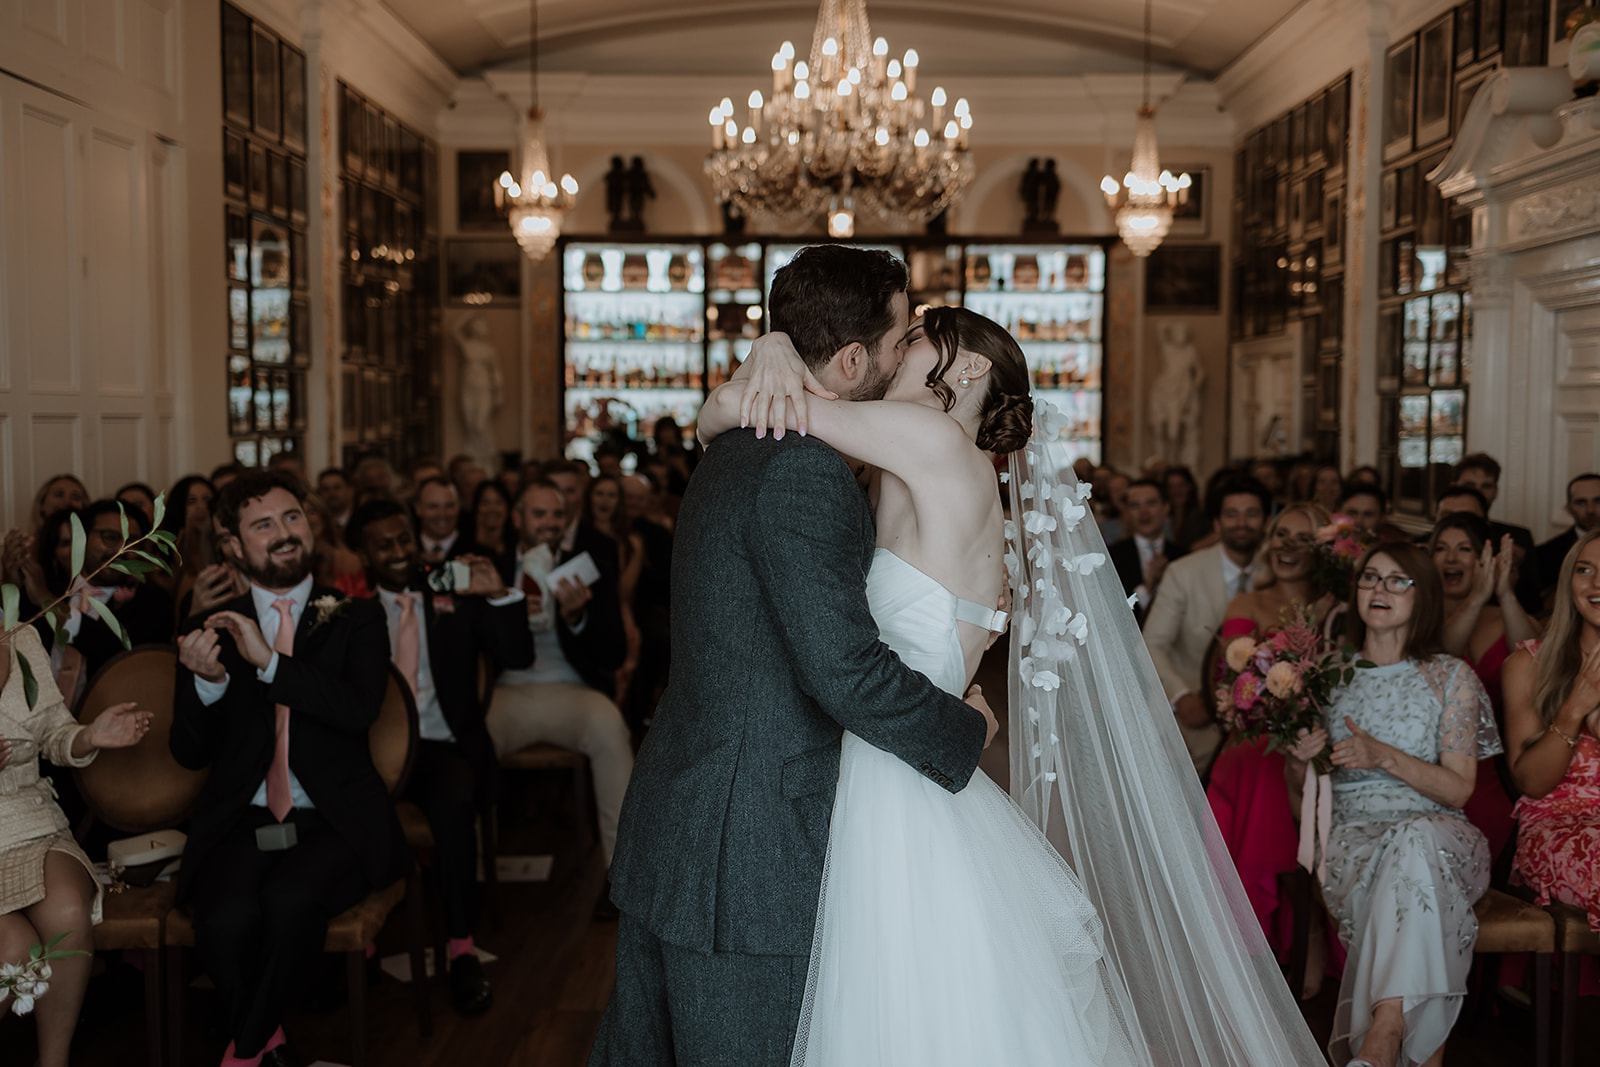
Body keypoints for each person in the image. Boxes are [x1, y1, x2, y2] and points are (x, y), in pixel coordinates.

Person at [661, 263, 1328, 1062]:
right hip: (907, 752)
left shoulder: (937, 441)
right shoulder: (932, 461)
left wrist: (774, 349)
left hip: (894, 769)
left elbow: (730, 414)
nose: (899, 347)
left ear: (969, 366)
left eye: (916, 338)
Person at [171, 470, 408, 1067]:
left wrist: (271, 664)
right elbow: (189, 753)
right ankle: (271, 1045)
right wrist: (209, 684)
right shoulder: (209, 627)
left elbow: (359, 710)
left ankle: (244, 1053)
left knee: (289, 902)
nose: (284, 532)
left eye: (292, 516)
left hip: (335, 820)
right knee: (223, 920)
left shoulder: (357, 616)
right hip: (243, 820)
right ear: (232, 545)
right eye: (263, 524)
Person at [1287, 542, 1501, 1067]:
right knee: (1410, 868)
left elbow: (1459, 790)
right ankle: (1393, 1035)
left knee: (1415, 841)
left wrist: (1383, 755)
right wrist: (1299, 760)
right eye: (1370, 577)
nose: (1379, 589)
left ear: (1421, 594)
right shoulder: (1325, 677)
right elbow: (1302, 802)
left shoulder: (1451, 676)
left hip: (1442, 834)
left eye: (1396, 579)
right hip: (1353, 841)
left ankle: (1383, 1036)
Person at [347, 498, 534, 1015]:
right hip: (371, 749)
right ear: (362, 554)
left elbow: (517, 655)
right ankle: (359, 946)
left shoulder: (448, 587)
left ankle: (460, 947)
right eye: (383, 545)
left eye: (404, 538)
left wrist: (497, 594)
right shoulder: (347, 608)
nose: (398, 551)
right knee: (342, 803)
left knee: (453, 804)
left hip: (441, 742)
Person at [0, 626, 151, 1067]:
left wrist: (89, 735)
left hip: (29, 818)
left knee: (67, 909)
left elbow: (53, 733)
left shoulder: (22, 635)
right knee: (15, 950)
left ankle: (54, 1062)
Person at [1205, 503, 1334, 980]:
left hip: (1323, 739)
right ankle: (1256, 930)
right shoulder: (1247, 605)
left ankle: (1309, 921)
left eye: (1302, 538)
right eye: (1281, 535)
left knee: (1301, 762)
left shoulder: (1340, 610)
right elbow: (1231, 685)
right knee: (1261, 761)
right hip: (1257, 735)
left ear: (1323, 551)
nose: (1287, 547)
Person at [487, 482, 633, 896]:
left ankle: (621, 875)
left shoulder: (589, 568)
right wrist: (505, 611)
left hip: (572, 689)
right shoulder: (494, 569)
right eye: (539, 514)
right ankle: (476, 871)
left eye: (557, 515)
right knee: (470, 740)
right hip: (507, 691)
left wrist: (577, 618)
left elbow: (615, 653)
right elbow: (474, 647)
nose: (550, 523)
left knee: (611, 730)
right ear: (517, 519)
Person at [1503, 530, 1600, 959]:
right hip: (1556, 826)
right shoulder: (1528, 664)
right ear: (1567, 582)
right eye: (1585, 570)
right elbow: (1531, 783)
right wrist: (1575, 707)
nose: (1597, 583)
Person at [1431, 512, 1540, 867]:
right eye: (1441, 548)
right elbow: (1442, 660)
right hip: (1434, 766)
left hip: (1495, 770)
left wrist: (1503, 593)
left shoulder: (1503, 616)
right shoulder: (1418, 618)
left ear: (1484, 560)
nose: (1451, 558)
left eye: (1464, 549)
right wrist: (1476, 599)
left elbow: (1535, 655)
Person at [1142, 477, 1272, 775]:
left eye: (1251, 514)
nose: (1241, 523)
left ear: (1267, 522)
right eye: (1231, 514)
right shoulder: (1183, 572)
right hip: (1194, 719)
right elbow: (1152, 644)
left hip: (1262, 725)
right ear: (1216, 523)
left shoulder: (1276, 572)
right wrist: (1181, 696)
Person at [1453, 452, 1543, 615]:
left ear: (1495, 492)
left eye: (1486, 486)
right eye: (1470, 485)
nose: (1478, 492)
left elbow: (1533, 603)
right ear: (1454, 486)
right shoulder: (1431, 540)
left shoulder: (1519, 538)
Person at [582, 475, 644, 705]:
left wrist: (635, 553)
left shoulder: (630, 543)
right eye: (599, 494)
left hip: (617, 613)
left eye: (611, 495)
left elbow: (623, 594)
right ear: (589, 498)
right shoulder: (577, 536)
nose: (604, 501)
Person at [1108, 478, 1185, 626]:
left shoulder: (1183, 556)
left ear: (1166, 507)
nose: (1144, 513)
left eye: (1151, 503)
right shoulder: (1112, 557)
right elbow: (1114, 614)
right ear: (1127, 512)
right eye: (1135, 506)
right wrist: (1147, 586)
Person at [1537, 472, 1600, 600]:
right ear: (1568, 508)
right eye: (1581, 502)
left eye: (1598, 501)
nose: (1590, 510)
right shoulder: (1545, 554)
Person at [158, 475, 217, 607]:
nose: (201, 507)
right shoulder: (162, 552)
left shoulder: (224, 546)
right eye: (192, 501)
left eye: (207, 500)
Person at [468, 479, 519, 586]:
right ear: (476, 508)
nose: (492, 509)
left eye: (498, 502)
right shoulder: (464, 548)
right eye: (485, 503)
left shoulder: (517, 548)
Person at [412, 477, 470, 563]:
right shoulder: (407, 553)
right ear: (418, 508)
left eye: (449, 506)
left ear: (459, 507)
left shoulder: (477, 554)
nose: (442, 514)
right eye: (433, 506)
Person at [1162, 466, 1209, 551]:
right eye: (1171, 486)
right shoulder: (1162, 517)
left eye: (1181, 485)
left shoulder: (1198, 516)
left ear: (1189, 486)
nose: (1176, 491)